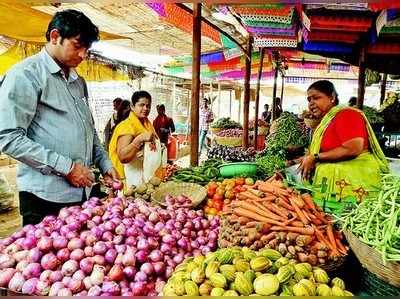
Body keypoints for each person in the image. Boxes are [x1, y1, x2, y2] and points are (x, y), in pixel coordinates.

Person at [0, 10, 118, 225]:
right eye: (77, 45)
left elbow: (88, 131)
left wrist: (105, 163)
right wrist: (67, 168)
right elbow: (8, 137)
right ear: (55, 36)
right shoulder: (26, 75)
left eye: (87, 49)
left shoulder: (78, 81)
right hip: (44, 199)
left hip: (83, 196)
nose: (83, 55)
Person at [298, 80, 388, 202]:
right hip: (333, 186)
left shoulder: (347, 114)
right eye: (309, 100)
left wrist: (315, 157)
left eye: (316, 98)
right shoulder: (327, 122)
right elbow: (325, 151)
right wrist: (300, 160)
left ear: (332, 97)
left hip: (354, 184)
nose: (311, 103)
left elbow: (353, 148)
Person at [108, 90, 158, 185]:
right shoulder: (127, 126)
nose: (145, 108)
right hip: (124, 178)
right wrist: (139, 139)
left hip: (139, 175)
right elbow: (123, 157)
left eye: (148, 106)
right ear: (132, 106)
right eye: (141, 105)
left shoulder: (146, 123)